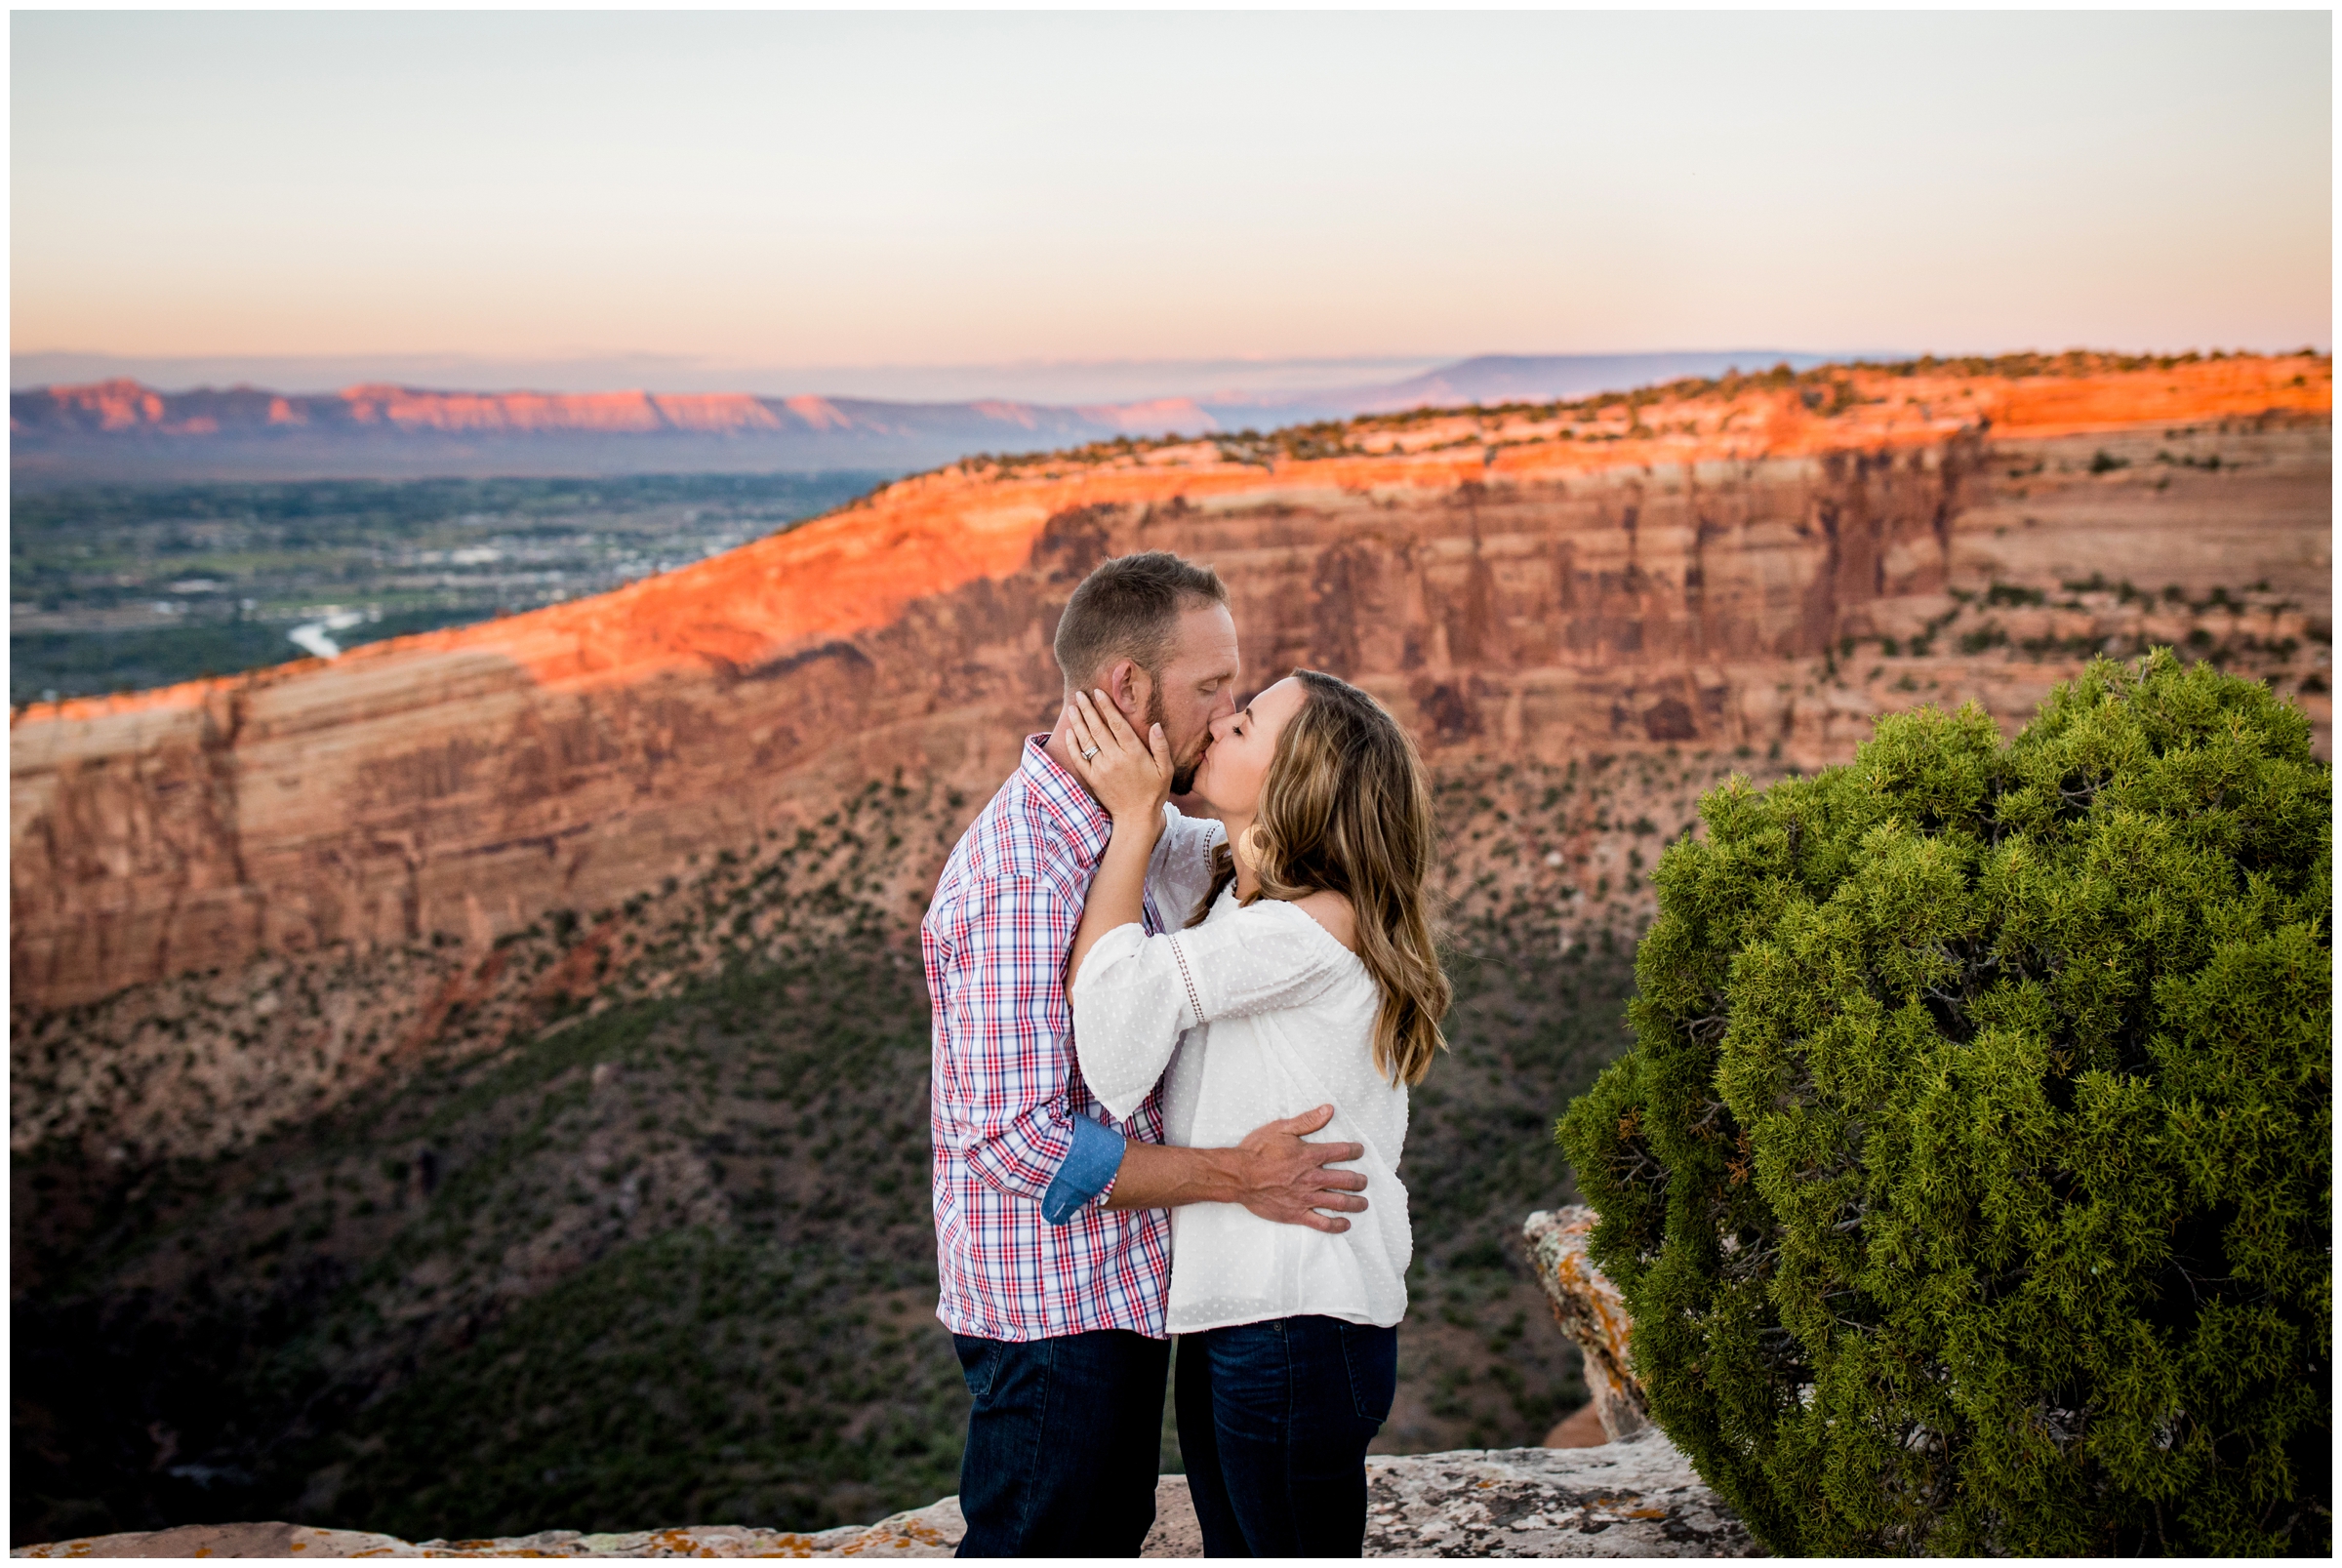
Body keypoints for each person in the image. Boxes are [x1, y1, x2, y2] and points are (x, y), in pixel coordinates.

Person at [923, 552, 1375, 1558]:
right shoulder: (1022, 873)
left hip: (1128, 1296)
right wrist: (1235, 1174)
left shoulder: (1141, 833)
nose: (1224, 714)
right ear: (1127, 686)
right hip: (1053, 1316)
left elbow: (1262, 855)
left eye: (1237, 693)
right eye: (1211, 686)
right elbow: (1014, 1139)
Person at [1063, 666, 1450, 1557]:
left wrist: (1131, 820)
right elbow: (1183, 862)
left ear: (1296, 786)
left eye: (1244, 727)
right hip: (1250, 1315)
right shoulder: (1259, 904)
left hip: (1290, 1325)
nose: (1222, 724)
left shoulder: (1296, 930)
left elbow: (1112, 1037)